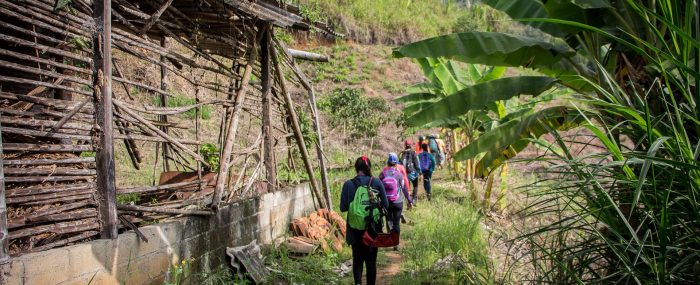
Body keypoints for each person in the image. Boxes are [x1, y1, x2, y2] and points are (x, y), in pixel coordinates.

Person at [340, 156, 388, 285]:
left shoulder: (348, 184)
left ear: (356, 168)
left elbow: (343, 208)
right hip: (372, 229)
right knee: (371, 261)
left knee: (357, 260)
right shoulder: (376, 182)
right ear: (368, 168)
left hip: (354, 229)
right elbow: (386, 205)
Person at [379, 153, 413, 250]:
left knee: (389, 220)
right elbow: (404, 189)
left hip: (386, 202)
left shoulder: (382, 174)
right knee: (396, 223)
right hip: (398, 202)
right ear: (396, 164)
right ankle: (396, 244)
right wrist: (409, 200)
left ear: (388, 163)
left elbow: (378, 187)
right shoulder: (399, 175)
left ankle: (391, 240)